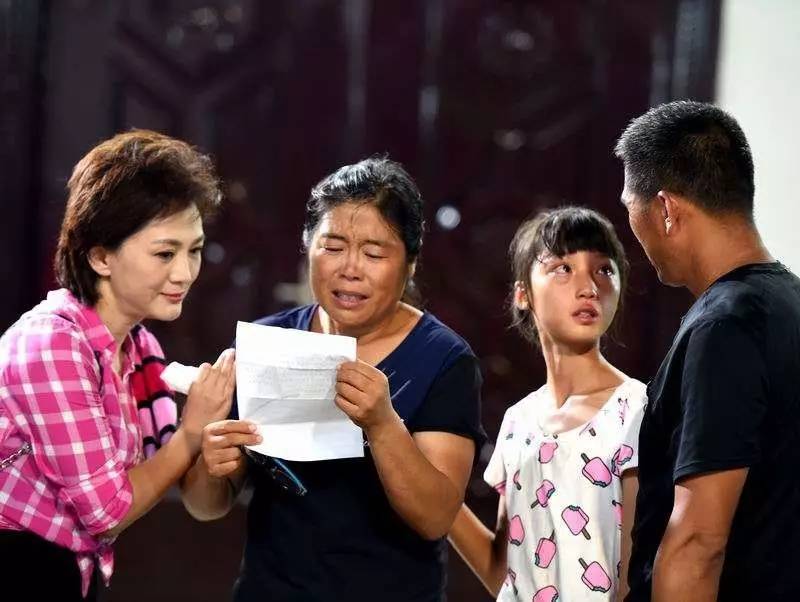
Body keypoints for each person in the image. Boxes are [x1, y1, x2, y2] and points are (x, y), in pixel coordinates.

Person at [181, 156, 486, 601]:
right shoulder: (267, 342)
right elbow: (205, 505)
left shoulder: (445, 359)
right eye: (333, 246)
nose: (350, 268)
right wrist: (211, 465)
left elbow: (435, 518)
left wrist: (383, 424)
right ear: (308, 246)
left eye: (374, 253)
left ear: (410, 263)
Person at [0, 130, 235, 600]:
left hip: (70, 574)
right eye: (165, 253)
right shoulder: (52, 344)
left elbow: (187, 489)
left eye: (194, 250)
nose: (185, 273)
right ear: (101, 256)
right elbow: (107, 512)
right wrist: (192, 431)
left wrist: (215, 438)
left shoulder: (141, 347)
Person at [615, 100, 800, 601]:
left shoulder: (725, 326)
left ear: (666, 210)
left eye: (630, 206)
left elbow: (698, 542)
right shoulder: (788, 303)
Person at [449, 206, 647, 601]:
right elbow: (505, 574)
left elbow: (635, 578)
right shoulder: (518, 421)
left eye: (603, 270)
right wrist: (431, 486)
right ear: (523, 294)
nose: (588, 287)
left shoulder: (636, 409)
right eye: (563, 268)